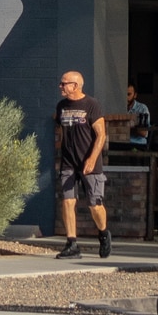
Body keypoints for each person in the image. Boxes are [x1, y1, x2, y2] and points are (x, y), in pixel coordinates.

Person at [54, 70, 109, 259]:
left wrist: (92, 159)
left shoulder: (91, 105)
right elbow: (62, 132)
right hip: (69, 163)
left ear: (75, 85)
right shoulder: (61, 106)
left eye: (64, 83)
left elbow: (101, 135)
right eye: (61, 84)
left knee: (95, 205)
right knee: (68, 201)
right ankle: (72, 244)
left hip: (89, 163)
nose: (61, 87)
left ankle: (103, 233)